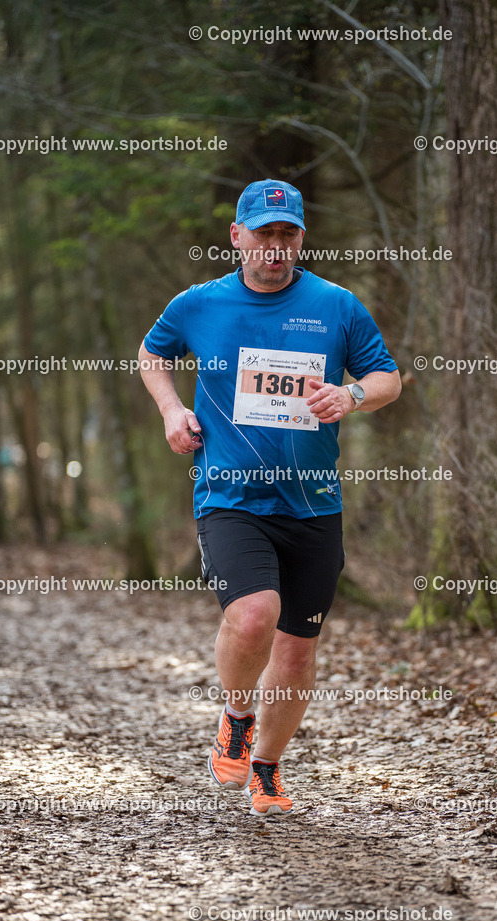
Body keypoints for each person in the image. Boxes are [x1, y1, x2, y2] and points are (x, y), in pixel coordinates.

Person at [139, 178, 401, 816]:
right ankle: (235, 714)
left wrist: (353, 395)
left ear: (302, 238)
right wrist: (173, 413)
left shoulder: (337, 305)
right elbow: (151, 354)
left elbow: (387, 376)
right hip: (229, 495)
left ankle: (267, 769)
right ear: (237, 237)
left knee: (296, 646)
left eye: (288, 235)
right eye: (264, 235)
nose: (276, 248)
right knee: (254, 615)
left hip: (314, 503)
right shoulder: (200, 304)